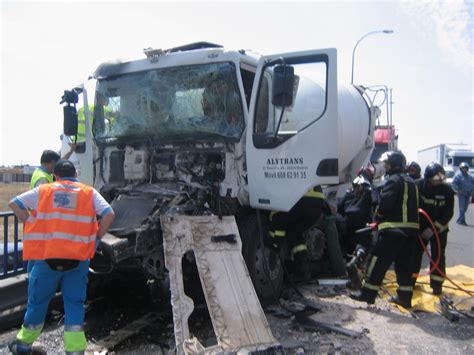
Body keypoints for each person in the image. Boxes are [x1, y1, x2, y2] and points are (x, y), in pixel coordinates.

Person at [8, 160, 115, 355]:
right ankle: (74, 350)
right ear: (75, 175)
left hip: (46, 260)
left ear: (56, 176)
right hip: (78, 260)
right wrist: (97, 238)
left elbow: (14, 204)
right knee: (74, 304)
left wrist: (31, 221)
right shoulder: (88, 193)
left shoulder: (44, 191)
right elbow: (108, 213)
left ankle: (23, 345)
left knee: (38, 302)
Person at [350, 151, 419, 308]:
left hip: (393, 230)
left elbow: (385, 205)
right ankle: (405, 298)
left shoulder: (393, 181)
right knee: (404, 266)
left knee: (378, 261)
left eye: (387, 164)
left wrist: (377, 218)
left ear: (394, 164)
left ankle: (367, 294)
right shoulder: (412, 182)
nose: (385, 166)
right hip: (411, 233)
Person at [412, 163, 454, 295]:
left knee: (438, 256)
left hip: (439, 229)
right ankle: (410, 281)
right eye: (436, 178)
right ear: (428, 178)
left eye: (441, 178)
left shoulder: (447, 190)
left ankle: (437, 285)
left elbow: (448, 213)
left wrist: (433, 229)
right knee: (414, 254)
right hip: (420, 227)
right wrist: (418, 228)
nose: (439, 181)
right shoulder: (417, 186)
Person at [269, 185, 325, 280]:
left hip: (301, 199)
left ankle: (301, 267)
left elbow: (279, 224)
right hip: (317, 202)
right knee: (294, 233)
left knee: (278, 218)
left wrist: (275, 247)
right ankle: (304, 269)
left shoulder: (276, 206)